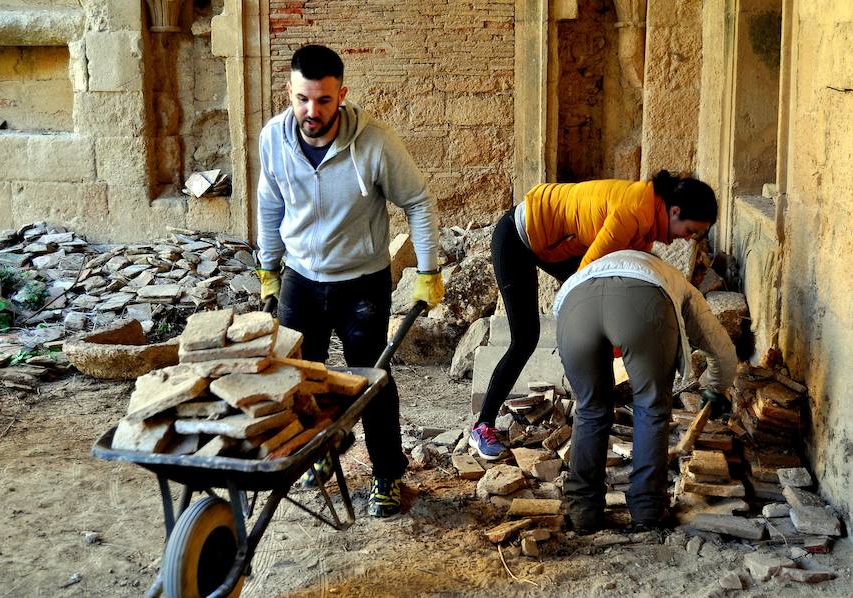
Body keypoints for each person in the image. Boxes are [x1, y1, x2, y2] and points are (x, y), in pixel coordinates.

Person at [255, 44, 444, 518]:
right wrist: (269, 267)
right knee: (302, 377)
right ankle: (319, 451)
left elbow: (417, 201)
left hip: (361, 282)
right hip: (301, 277)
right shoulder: (273, 139)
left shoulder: (375, 143)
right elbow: (270, 203)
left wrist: (428, 270)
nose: (311, 111)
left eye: (323, 100)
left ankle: (387, 472)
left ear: (342, 94)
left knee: (370, 379)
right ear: (289, 91)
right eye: (302, 99)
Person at [469, 172, 718, 460]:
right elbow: (584, 281)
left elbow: (622, 285)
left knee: (608, 312)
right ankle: (482, 427)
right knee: (525, 339)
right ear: (674, 212)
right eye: (690, 231)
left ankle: (597, 407)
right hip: (518, 236)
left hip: (554, 244)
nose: (686, 239)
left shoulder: (646, 226)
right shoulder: (634, 210)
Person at [552, 249, 737, 532]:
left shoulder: (592, 270)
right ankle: (647, 511)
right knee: (650, 407)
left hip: (573, 306)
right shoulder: (671, 277)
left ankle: (582, 512)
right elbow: (719, 348)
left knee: (590, 408)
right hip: (643, 302)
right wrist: (716, 386)